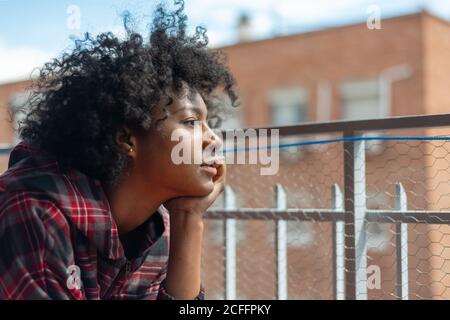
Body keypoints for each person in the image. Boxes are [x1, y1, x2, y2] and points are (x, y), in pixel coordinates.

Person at [0, 0, 238, 300]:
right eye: (191, 122)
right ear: (127, 139)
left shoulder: (157, 231)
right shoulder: (34, 209)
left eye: (207, 124)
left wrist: (189, 219)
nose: (213, 139)